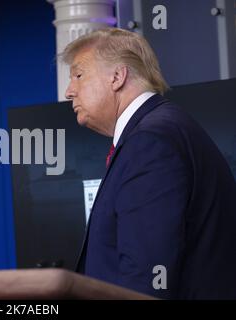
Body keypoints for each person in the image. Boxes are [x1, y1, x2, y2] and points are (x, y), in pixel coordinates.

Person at [63, 28, 236, 299]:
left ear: (117, 77)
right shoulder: (163, 128)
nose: (69, 91)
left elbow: (147, 277)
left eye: (79, 75)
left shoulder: (150, 141)